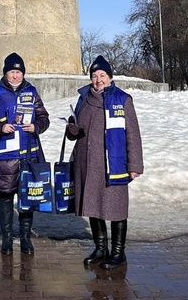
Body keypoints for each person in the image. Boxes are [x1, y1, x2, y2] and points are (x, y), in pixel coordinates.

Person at [66, 55, 143, 270]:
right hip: (87, 163)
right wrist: (72, 130)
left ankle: (118, 252)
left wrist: (134, 165)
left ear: (110, 77)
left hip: (113, 163)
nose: (98, 80)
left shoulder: (122, 99)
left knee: (116, 209)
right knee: (93, 206)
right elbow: (75, 131)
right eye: (94, 76)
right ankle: (100, 249)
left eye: (102, 75)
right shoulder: (84, 99)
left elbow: (133, 134)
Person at [0, 52, 50, 255]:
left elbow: (44, 117)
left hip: (29, 153)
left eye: (18, 72)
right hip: (6, 154)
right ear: (5, 73)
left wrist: (36, 126)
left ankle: (26, 238)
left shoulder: (31, 91)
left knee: (27, 196)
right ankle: (7, 238)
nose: (15, 76)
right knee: (5, 196)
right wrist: (0, 127)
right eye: (12, 72)